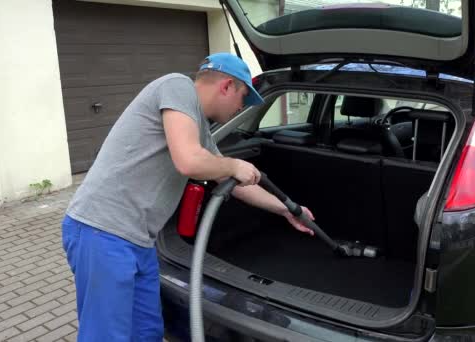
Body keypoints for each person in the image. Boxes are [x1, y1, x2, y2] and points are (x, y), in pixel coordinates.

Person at [61, 52, 315, 342]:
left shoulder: (200, 130)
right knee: (106, 336)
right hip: (101, 232)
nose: (241, 107)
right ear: (226, 86)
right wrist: (234, 164)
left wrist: (286, 210)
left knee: (146, 332)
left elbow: (234, 182)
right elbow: (189, 162)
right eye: (243, 98)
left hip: (139, 241)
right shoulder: (176, 86)